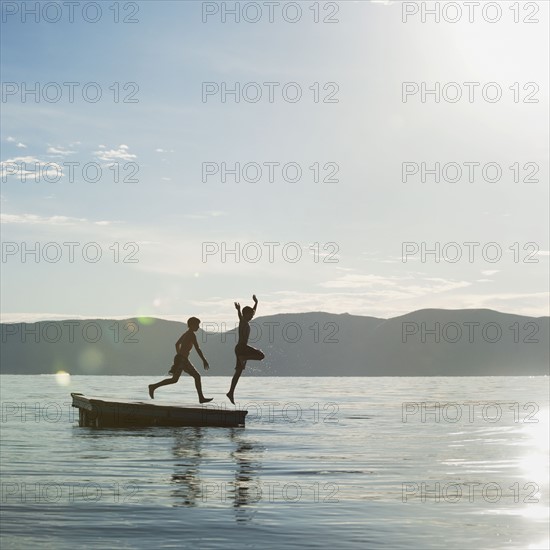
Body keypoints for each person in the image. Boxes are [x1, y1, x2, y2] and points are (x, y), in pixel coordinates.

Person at [148, 317, 213, 403]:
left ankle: (153, 387)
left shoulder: (186, 334)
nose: (198, 327)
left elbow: (177, 344)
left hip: (180, 359)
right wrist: (204, 360)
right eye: (197, 325)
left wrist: (179, 355)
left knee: (174, 380)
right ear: (192, 325)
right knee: (197, 377)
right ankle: (201, 398)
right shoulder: (191, 335)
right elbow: (197, 348)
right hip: (182, 360)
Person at [226, 294, 265, 404]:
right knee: (261, 355)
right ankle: (244, 357)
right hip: (242, 348)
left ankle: (230, 392)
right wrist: (238, 310)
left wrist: (256, 303)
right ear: (245, 314)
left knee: (238, 372)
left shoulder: (246, 321)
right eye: (251, 315)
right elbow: (240, 316)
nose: (252, 316)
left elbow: (253, 311)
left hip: (240, 349)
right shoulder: (243, 321)